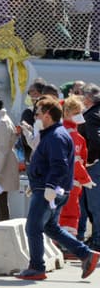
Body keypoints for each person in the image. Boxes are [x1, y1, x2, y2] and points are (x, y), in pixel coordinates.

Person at [16, 97, 100, 280]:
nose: (35, 116)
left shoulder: (56, 136)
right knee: (50, 227)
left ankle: (37, 267)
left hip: (49, 190)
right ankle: (86, 255)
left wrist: (49, 186)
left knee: (33, 228)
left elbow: (59, 165)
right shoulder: (54, 134)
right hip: (49, 189)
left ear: (47, 115)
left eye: (37, 113)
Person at [61, 96, 94, 239]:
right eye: (77, 112)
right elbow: (76, 161)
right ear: (67, 113)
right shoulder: (73, 136)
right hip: (71, 182)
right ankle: (67, 245)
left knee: (64, 213)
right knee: (70, 214)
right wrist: (85, 178)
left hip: (69, 182)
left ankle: (64, 244)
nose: (80, 115)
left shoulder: (69, 133)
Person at [80, 83, 100, 250]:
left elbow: (95, 140)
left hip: (95, 166)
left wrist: (90, 160)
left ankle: (98, 240)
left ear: (87, 98)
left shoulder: (92, 115)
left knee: (95, 205)